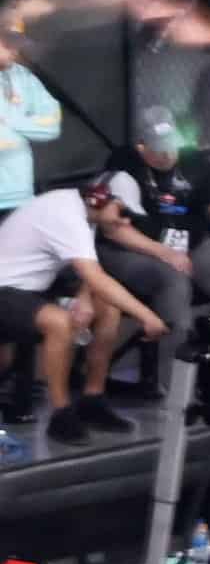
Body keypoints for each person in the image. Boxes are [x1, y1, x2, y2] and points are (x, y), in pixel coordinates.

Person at [96, 107, 210, 405]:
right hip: (134, 247)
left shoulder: (194, 161)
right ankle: (173, 386)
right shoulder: (123, 166)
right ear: (141, 147)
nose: (167, 155)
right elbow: (113, 230)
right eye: (158, 150)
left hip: (190, 243)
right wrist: (163, 253)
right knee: (173, 282)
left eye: (171, 145)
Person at [0, 179, 169, 443]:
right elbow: (96, 276)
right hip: (5, 289)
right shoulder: (66, 214)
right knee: (59, 322)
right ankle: (61, 415)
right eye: (123, 213)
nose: (125, 223)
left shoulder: (83, 212)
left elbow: (86, 271)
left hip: (33, 289)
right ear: (98, 199)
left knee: (108, 310)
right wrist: (145, 316)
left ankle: (93, 399)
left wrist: (85, 298)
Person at [0, 27, 60, 214]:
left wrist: (10, 119)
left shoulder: (23, 77)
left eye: (16, 46)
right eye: (8, 45)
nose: (15, 51)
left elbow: (51, 126)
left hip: (20, 195)